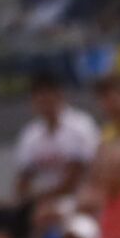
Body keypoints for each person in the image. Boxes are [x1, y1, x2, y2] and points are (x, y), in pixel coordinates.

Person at [17, 76, 101, 206]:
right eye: (39, 98)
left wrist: (35, 198)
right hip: (40, 203)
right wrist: (24, 199)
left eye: (48, 97)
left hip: (78, 199)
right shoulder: (30, 134)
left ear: (60, 95)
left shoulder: (80, 126)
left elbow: (71, 182)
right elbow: (23, 178)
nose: (44, 103)